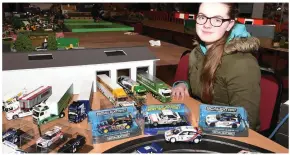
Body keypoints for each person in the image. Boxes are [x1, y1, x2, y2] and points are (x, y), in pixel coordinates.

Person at [171, 3, 261, 131]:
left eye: (217, 19)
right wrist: (184, 85)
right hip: (202, 123)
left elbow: (247, 121)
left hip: (230, 135)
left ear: (229, 24)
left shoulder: (243, 64)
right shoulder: (197, 53)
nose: (207, 24)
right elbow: (205, 87)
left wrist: (202, 122)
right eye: (202, 17)